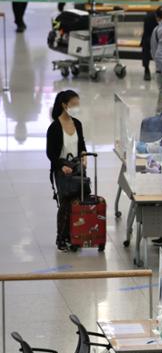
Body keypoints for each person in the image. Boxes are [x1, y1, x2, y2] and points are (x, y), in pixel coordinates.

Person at [46, 90, 87, 251]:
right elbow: (50, 153)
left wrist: (84, 157)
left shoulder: (77, 123)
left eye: (78, 104)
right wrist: (61, 166)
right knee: (65, 203)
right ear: (65, 105)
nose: (77, 107)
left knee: (77, 202)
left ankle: (74, 235)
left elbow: (81, 144)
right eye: (74, 104)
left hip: (77, 168)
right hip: (61, 170)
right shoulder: (55, 127)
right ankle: (61, 237)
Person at [141, 4, 162, 81]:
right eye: (159, 19)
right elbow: (146, 34)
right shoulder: (148, 18)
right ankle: (146, 69)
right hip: (149, 37)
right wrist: (154, 41)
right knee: (146, 46)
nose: (161, 21)